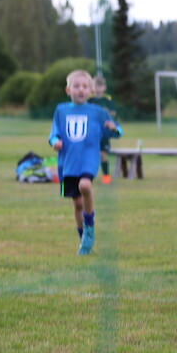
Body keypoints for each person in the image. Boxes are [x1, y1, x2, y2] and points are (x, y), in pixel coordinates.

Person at [49, 69, 122, 255]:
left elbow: (116, 131)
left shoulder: (98, 112)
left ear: (90, 91)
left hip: (88, 160)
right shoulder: (61, 110)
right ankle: (83, 237)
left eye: (84, 87)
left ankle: (89, 227)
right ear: (68, 90)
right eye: (76, 86)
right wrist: (55, 142)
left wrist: (114, 128)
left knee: (85, 186)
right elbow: (53, 133)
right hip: (68, 163)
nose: (80, 90)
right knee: (77, 204)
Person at [88, 75, 119, 184]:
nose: (97, 89)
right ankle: (87, 176)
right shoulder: (89, 99)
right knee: (89, 156)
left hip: (103, 133)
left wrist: (105, 112)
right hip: (90, 132)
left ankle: (106, 177)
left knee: (103, 155)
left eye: (100, 86)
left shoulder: (108, 99)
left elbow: (114, 113)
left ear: (104, 88)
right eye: (95, 86)